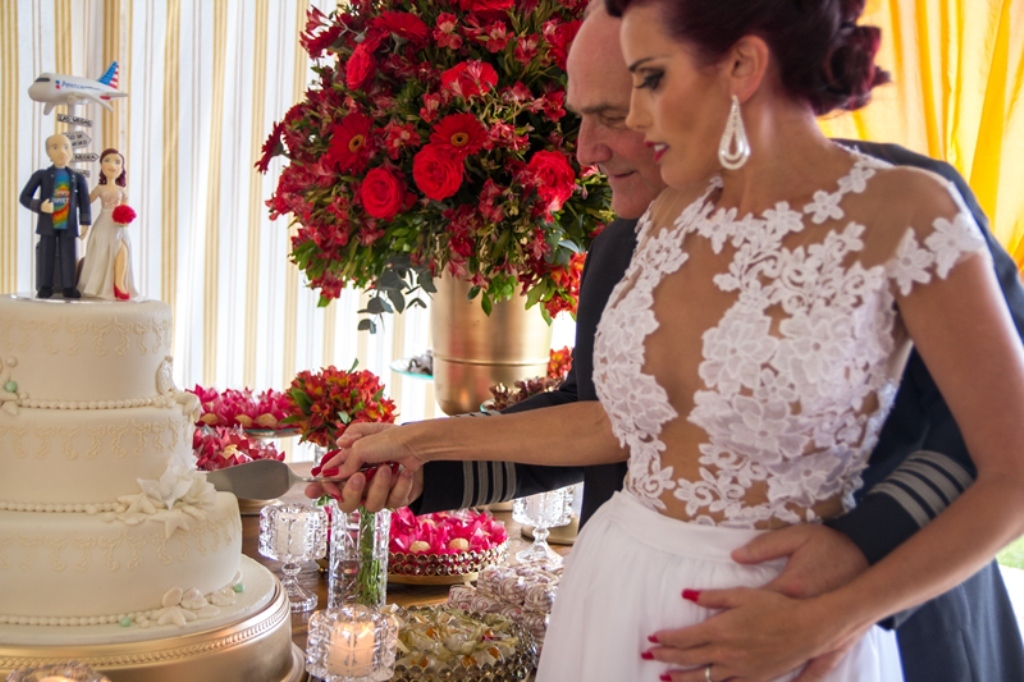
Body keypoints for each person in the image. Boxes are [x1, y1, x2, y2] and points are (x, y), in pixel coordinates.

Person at [312, 2, 1024, 680]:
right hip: (621, 589)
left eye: (627, 99)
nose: (588, 150)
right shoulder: (648, 229)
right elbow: (615, 417)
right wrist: (419, 447)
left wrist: (848, 592)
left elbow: (992, 451)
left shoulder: (908, 208)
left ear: (740, 67)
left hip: (841, 608)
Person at [19, 133, 91, 299]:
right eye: (55, 147)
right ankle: (45, 286)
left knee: (68, 256)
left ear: (72, 151)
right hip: (48, 224)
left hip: (68, 223)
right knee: (47, 255)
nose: (62, 151)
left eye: (66, 147)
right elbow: (24, 197)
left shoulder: (77, 177)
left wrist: (85, 223)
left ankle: (68, 286)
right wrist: (40, 206)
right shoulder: (41, 175)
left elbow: (84, 202)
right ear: (48, 152)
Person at [79, 148, 139, 300]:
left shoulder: (122, 190)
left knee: (122, 249)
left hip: (118, 224)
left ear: (121, 168)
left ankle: (119, 283)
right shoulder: (100, 188)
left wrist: (125, 219)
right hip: (104, 222)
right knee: (104, 251)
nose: (112, 165)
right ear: (101, 166)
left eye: (117, 162)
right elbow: (86, 201)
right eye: (107, 160)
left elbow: (125, 207)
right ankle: (100, 285)